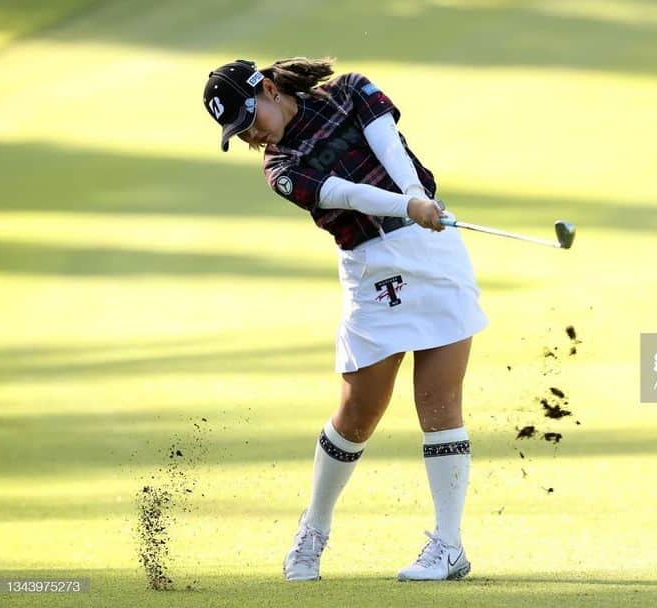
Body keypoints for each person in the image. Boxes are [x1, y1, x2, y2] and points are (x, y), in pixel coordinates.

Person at [202, 57, 487, 582]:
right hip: (371, 269)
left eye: (250, 122)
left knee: (439, 404)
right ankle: (314, 529)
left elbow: (391, 150)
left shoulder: (351, 91)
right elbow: (346, 194)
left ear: (267, 89)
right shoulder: (280, 169)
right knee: (357, 415)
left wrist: (417, 199)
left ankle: (448, 546)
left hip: (435, 254)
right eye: (239, 136)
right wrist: (407, 205)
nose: (252, 139)